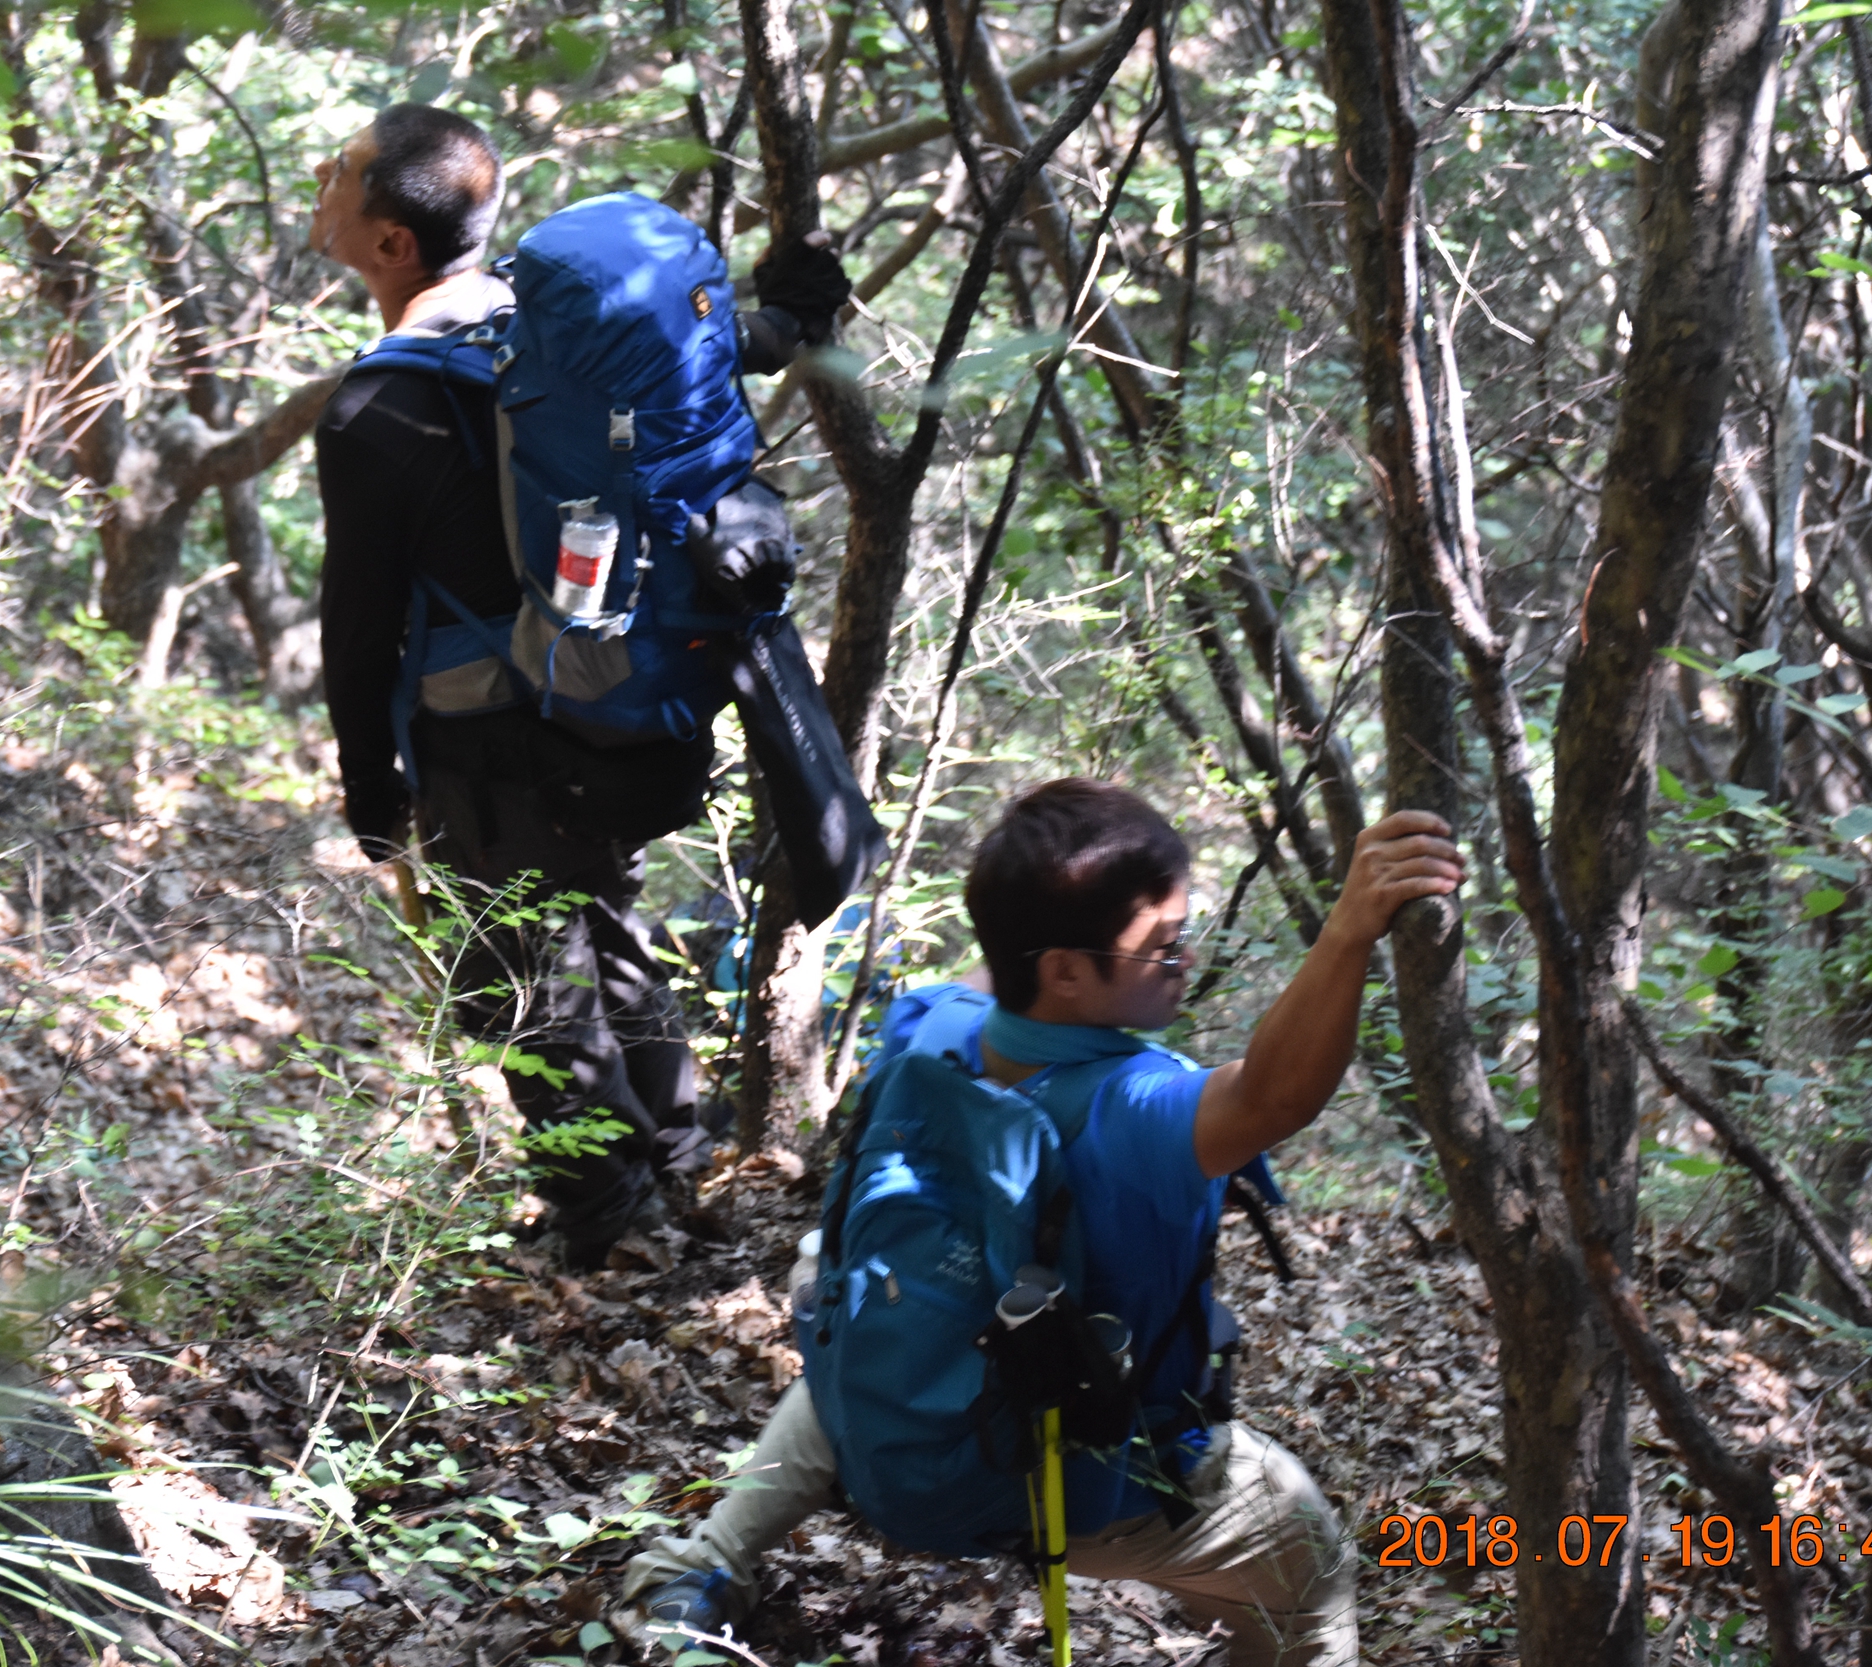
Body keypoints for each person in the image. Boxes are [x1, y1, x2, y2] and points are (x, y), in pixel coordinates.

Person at [622, 779, 1462, 1662]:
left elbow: (1000, 964)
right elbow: (1274, 1093)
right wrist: (1347, 929)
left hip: (895, 1440)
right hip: (1071, 1485)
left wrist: (1044, 878)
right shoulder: (1138, 1112)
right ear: (1063, 969)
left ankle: (706, 1561)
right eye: (1163, 946)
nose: (1185, 958)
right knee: (1313, 1553)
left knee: (887, 1317)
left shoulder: (932, 1036)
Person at [308, 104, 852, 1265]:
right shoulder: (556, 325)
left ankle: (611, 1229)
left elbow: (357, 633)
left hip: (488, 754)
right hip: (627, 713)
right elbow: (727, 346)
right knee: (606, 935)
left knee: (517, 988)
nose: (321, 177)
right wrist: (797, 312)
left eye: (340, 173)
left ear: (391, 243)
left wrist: (371, 789)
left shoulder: (371, 413)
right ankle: (679, 1164)